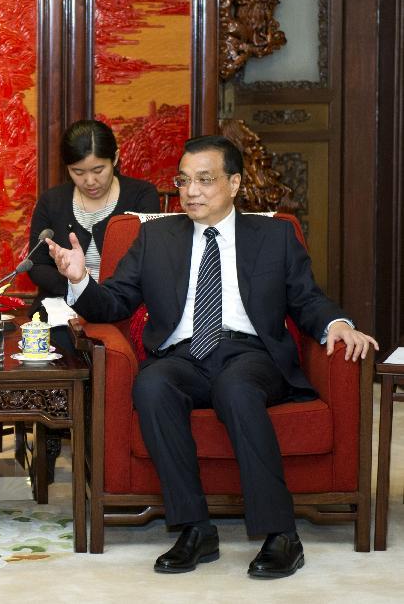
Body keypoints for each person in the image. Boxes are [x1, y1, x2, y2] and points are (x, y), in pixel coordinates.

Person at [46, 135, 378, 578]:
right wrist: (81, 281)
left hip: (250, 354)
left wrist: (338, 324)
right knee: (152, 384)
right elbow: (115, 304)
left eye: (205, 180)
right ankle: (196, 529)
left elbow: (307, 299)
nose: (191, 191)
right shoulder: (156, 236)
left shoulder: (274, 235)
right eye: (184, 181)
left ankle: (282, 535)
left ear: (235, 183)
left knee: (236, 388)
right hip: (183, 355)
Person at [28, 119, 160, 351]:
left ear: (116, 159)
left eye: (98, 170)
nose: (89, 181)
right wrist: (76, 285)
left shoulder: (142, 196)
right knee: (61, 345)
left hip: (123, 305)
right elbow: (36, 265)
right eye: (77, 172)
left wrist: (96, 292)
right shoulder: (52, 201)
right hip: (62, 305)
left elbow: (147, 264)